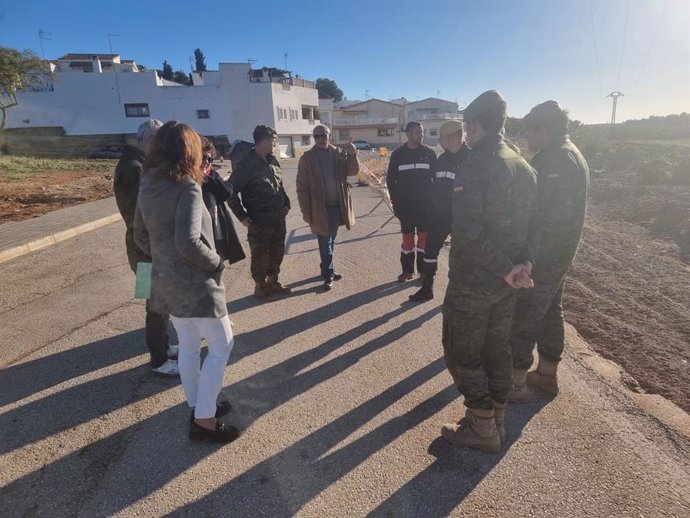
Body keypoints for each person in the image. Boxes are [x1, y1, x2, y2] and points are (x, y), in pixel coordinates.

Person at [441, 90, 538, 452]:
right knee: (498, 349)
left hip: (475, 284)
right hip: (508, 283)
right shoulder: (523, 165)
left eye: (466, 125)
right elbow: (534, 225)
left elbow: (468, 234)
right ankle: (496, 421)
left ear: (474, 125)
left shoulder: (476, 166)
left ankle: (481, 427)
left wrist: (505, 269)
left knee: (461, 352)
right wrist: (523, 264)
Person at [134, 121, 239, 443]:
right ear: (189, 150)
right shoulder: (187, 187)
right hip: (195, 283)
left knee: (191, 347)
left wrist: (164, 259)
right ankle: (204, 421)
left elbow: (139, 235)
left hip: (166, 282)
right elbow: (190, 242)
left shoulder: (148, 183)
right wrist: (217, 262)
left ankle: (199, 405)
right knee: (222, 345)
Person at [509, 101, 590, 401]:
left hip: (546, 253)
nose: (527, 138)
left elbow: (547, 215)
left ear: (543, 128)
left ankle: (514, 382)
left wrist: (528, 257)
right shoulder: (567, 153)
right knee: (551, 311)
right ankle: (546, 373)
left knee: (525, 312)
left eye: (529, 131)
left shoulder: (558, 160)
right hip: (559, 252)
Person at [113, 119, 179, 377]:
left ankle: (162, 346)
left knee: (156, 302)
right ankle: (158, 359)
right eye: (160, 141)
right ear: (150, 139)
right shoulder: (133, 168)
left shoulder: (140, 164)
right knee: (156, 304)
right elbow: (140, 215)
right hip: (144, 251)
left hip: (147, 248)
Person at [409, 120, 470, 302]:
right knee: (429, 252)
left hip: (461, 218)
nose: (439, 140)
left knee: (461, 257)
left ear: (452, 136)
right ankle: (427, 289)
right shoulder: (441, 159)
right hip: (439, 217)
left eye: (441, 136)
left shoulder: (471, 158)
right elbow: (434, 187)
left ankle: (459, 295)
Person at [228, 125, 291, 301]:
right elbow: (230, 192)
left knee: (277, 251)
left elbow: (280, 186)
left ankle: (273, 282)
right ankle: (260, 287)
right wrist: (241, 216)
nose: (275, 144)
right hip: (259, 221)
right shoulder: (246, 165)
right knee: (260, 255)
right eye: (273, 141)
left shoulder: (272, 161)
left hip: (278, 218)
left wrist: (286, 202)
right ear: (264, 141)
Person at [296, 125, 359, 290]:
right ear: (313, 138)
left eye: (323, 135)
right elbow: (302, 188)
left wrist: (353, 154)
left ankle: (325, 268)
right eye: (317, 136)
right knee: (325, 241)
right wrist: (306, 212)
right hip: (319, 209)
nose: (320, 139)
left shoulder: (338, 153)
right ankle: (329, 274)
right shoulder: (307, 159)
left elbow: (353, 171)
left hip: (339, 206)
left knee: (331, 240)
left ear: (329, 136)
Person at [386, 121, 437, 282]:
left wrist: (434, 204)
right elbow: (390, 181)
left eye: (422, 132)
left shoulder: (429, 153)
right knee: (407, 242)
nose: (421, 135)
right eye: (417, 133)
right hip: (406, 208)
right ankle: (407, 271)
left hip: (425, 208)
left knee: (423, 242)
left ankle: (422, 272)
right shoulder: (398, 155)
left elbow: (436, 180)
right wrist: (395, 203)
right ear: (408, 134)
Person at [200, 138, 246, 266]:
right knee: (145, 281)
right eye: (203, 157)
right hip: (201, 239)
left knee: (218, 271)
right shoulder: (188, 180)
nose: (206, 162)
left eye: (210, 159)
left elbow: (227, 192)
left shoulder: (212, 176)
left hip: (217, 233)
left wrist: (207, 177)